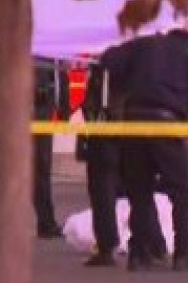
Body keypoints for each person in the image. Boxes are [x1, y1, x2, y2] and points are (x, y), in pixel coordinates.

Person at [104, 22, 188, 271]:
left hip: (134, 122)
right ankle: (184, 253)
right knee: (180, 193)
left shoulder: (145, 45)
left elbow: (109, 59)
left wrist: (130, 80)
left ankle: (138, 254)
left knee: (139, 191)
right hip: (167, 125)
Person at [78, 60, 122, 266]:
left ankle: (107, 245)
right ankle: (149, 245)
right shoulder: (136, 61)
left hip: (105, 133)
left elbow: (93, 104)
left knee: (102, 190)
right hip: (128, 132)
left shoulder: (105, 65)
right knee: (139, 190)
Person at [33, 59, 70, 238]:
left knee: (42, 169)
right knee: (35, 169)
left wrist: (64, 111)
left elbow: (61, 78)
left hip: (45, 112)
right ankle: (45, 221)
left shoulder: (55, 53)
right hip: (32, 111)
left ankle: (46, 221)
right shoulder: (35, 51)